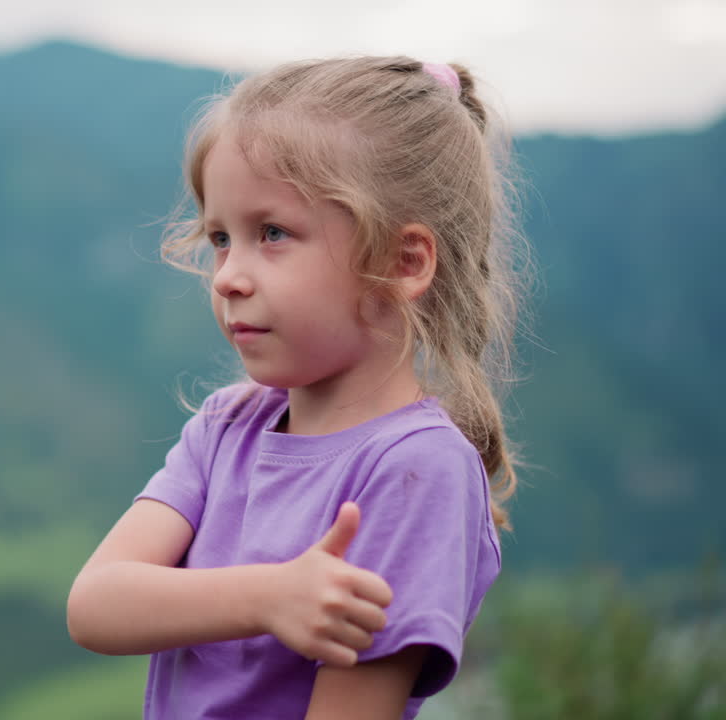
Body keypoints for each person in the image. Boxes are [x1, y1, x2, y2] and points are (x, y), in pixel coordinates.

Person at [66, 56, 526, 720]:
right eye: (222, 238)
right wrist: (270, 597)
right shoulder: (227, 427)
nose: (226, 277)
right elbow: (95, 605)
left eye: (272, 234)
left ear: (403, 262)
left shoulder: (417, 469)